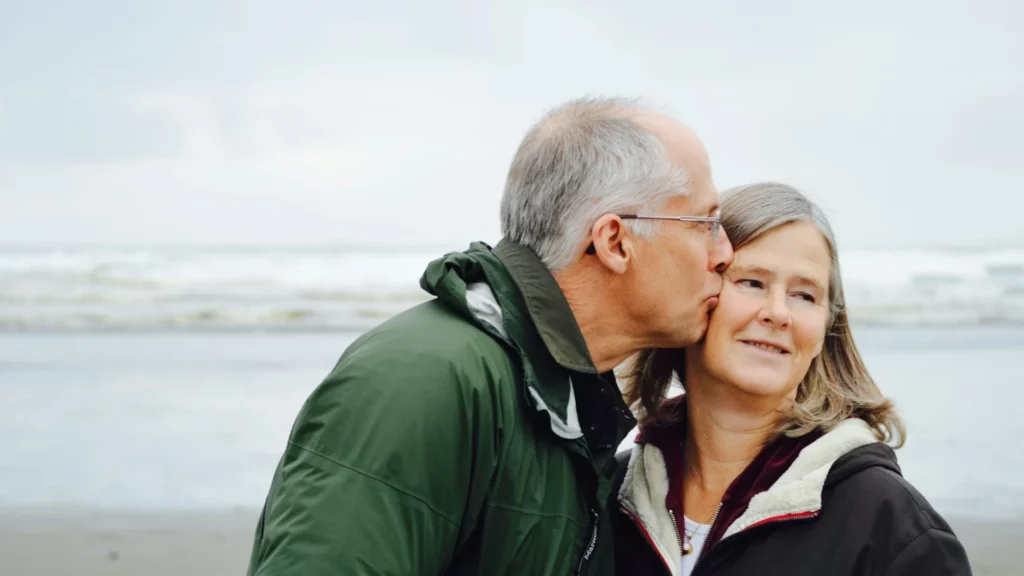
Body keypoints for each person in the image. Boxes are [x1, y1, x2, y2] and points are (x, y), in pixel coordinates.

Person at [245, 96, 734, 576]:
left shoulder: (561, 399)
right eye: (706, 223)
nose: (724, 253)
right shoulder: (425, 380)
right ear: (614, 242)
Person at [612, 182, 972, 576]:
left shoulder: (895, 531)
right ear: (694, 294)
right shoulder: (610, 495)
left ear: (825, 329)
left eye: (804, 295)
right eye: (752, 282)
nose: (778, 313)